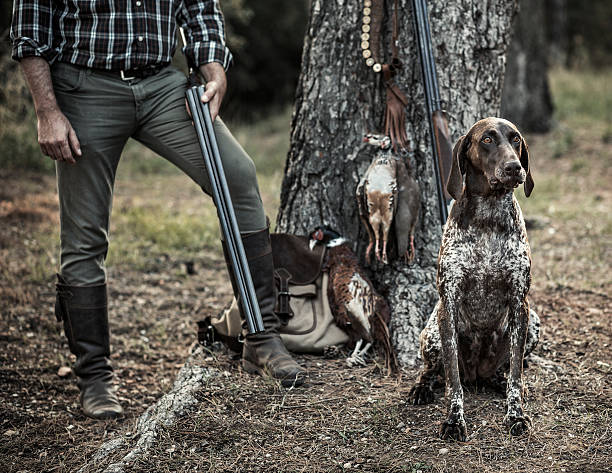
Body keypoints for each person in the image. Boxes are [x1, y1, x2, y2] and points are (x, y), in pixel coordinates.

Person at [10, 0, 305, 420]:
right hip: (84, 87)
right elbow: (31, 24)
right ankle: (94, 377)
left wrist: (214, 68)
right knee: (84, 236)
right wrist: (47, 111)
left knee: (238, 176)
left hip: (162, 86)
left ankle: (262, 336)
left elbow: (199, 7)